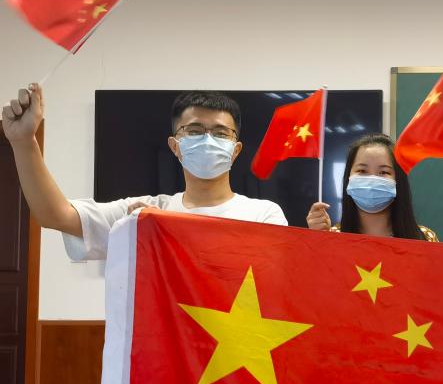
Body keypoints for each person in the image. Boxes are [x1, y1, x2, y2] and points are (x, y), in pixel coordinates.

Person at [1, 84, 286, 261]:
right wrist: (24, 142)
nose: (208, 140)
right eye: (195, 130)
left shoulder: (264, 215)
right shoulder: (141, 215)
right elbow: (55, 216)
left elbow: (277, 279)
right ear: (175, 146)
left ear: (235, 150)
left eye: (221, 133)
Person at [306, 133, 436, 241]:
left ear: (398, 180)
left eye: (383, 172)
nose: (372, 180)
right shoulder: (332, 238)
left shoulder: (424, 238)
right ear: (348, 178)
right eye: (362, 171)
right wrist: (316, 240)